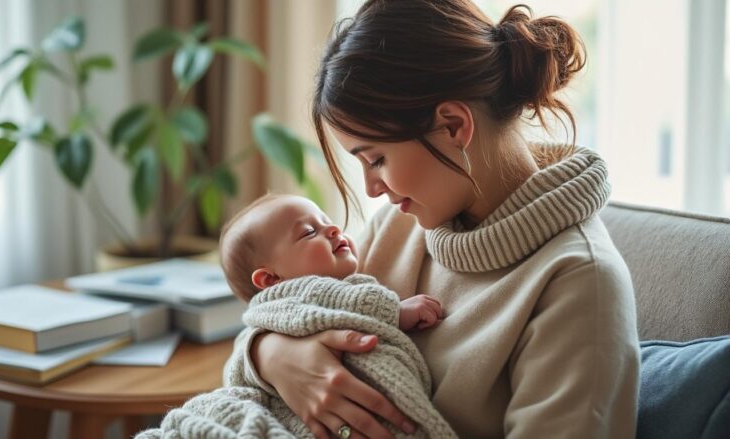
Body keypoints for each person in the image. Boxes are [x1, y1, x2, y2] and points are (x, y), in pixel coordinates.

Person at [226, 1, 640, 438]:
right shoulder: (399, 226)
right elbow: (292, 309)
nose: (372, 189)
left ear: (453, 125)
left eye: (377, 159)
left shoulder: (578, 283)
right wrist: (268, 355)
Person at [219, 193, 445, 332]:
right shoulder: (298, 302)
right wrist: (397, 312)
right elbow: (347, 305)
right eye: (308, 232)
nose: (334, 229)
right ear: (272, 279)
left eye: (327, 221)